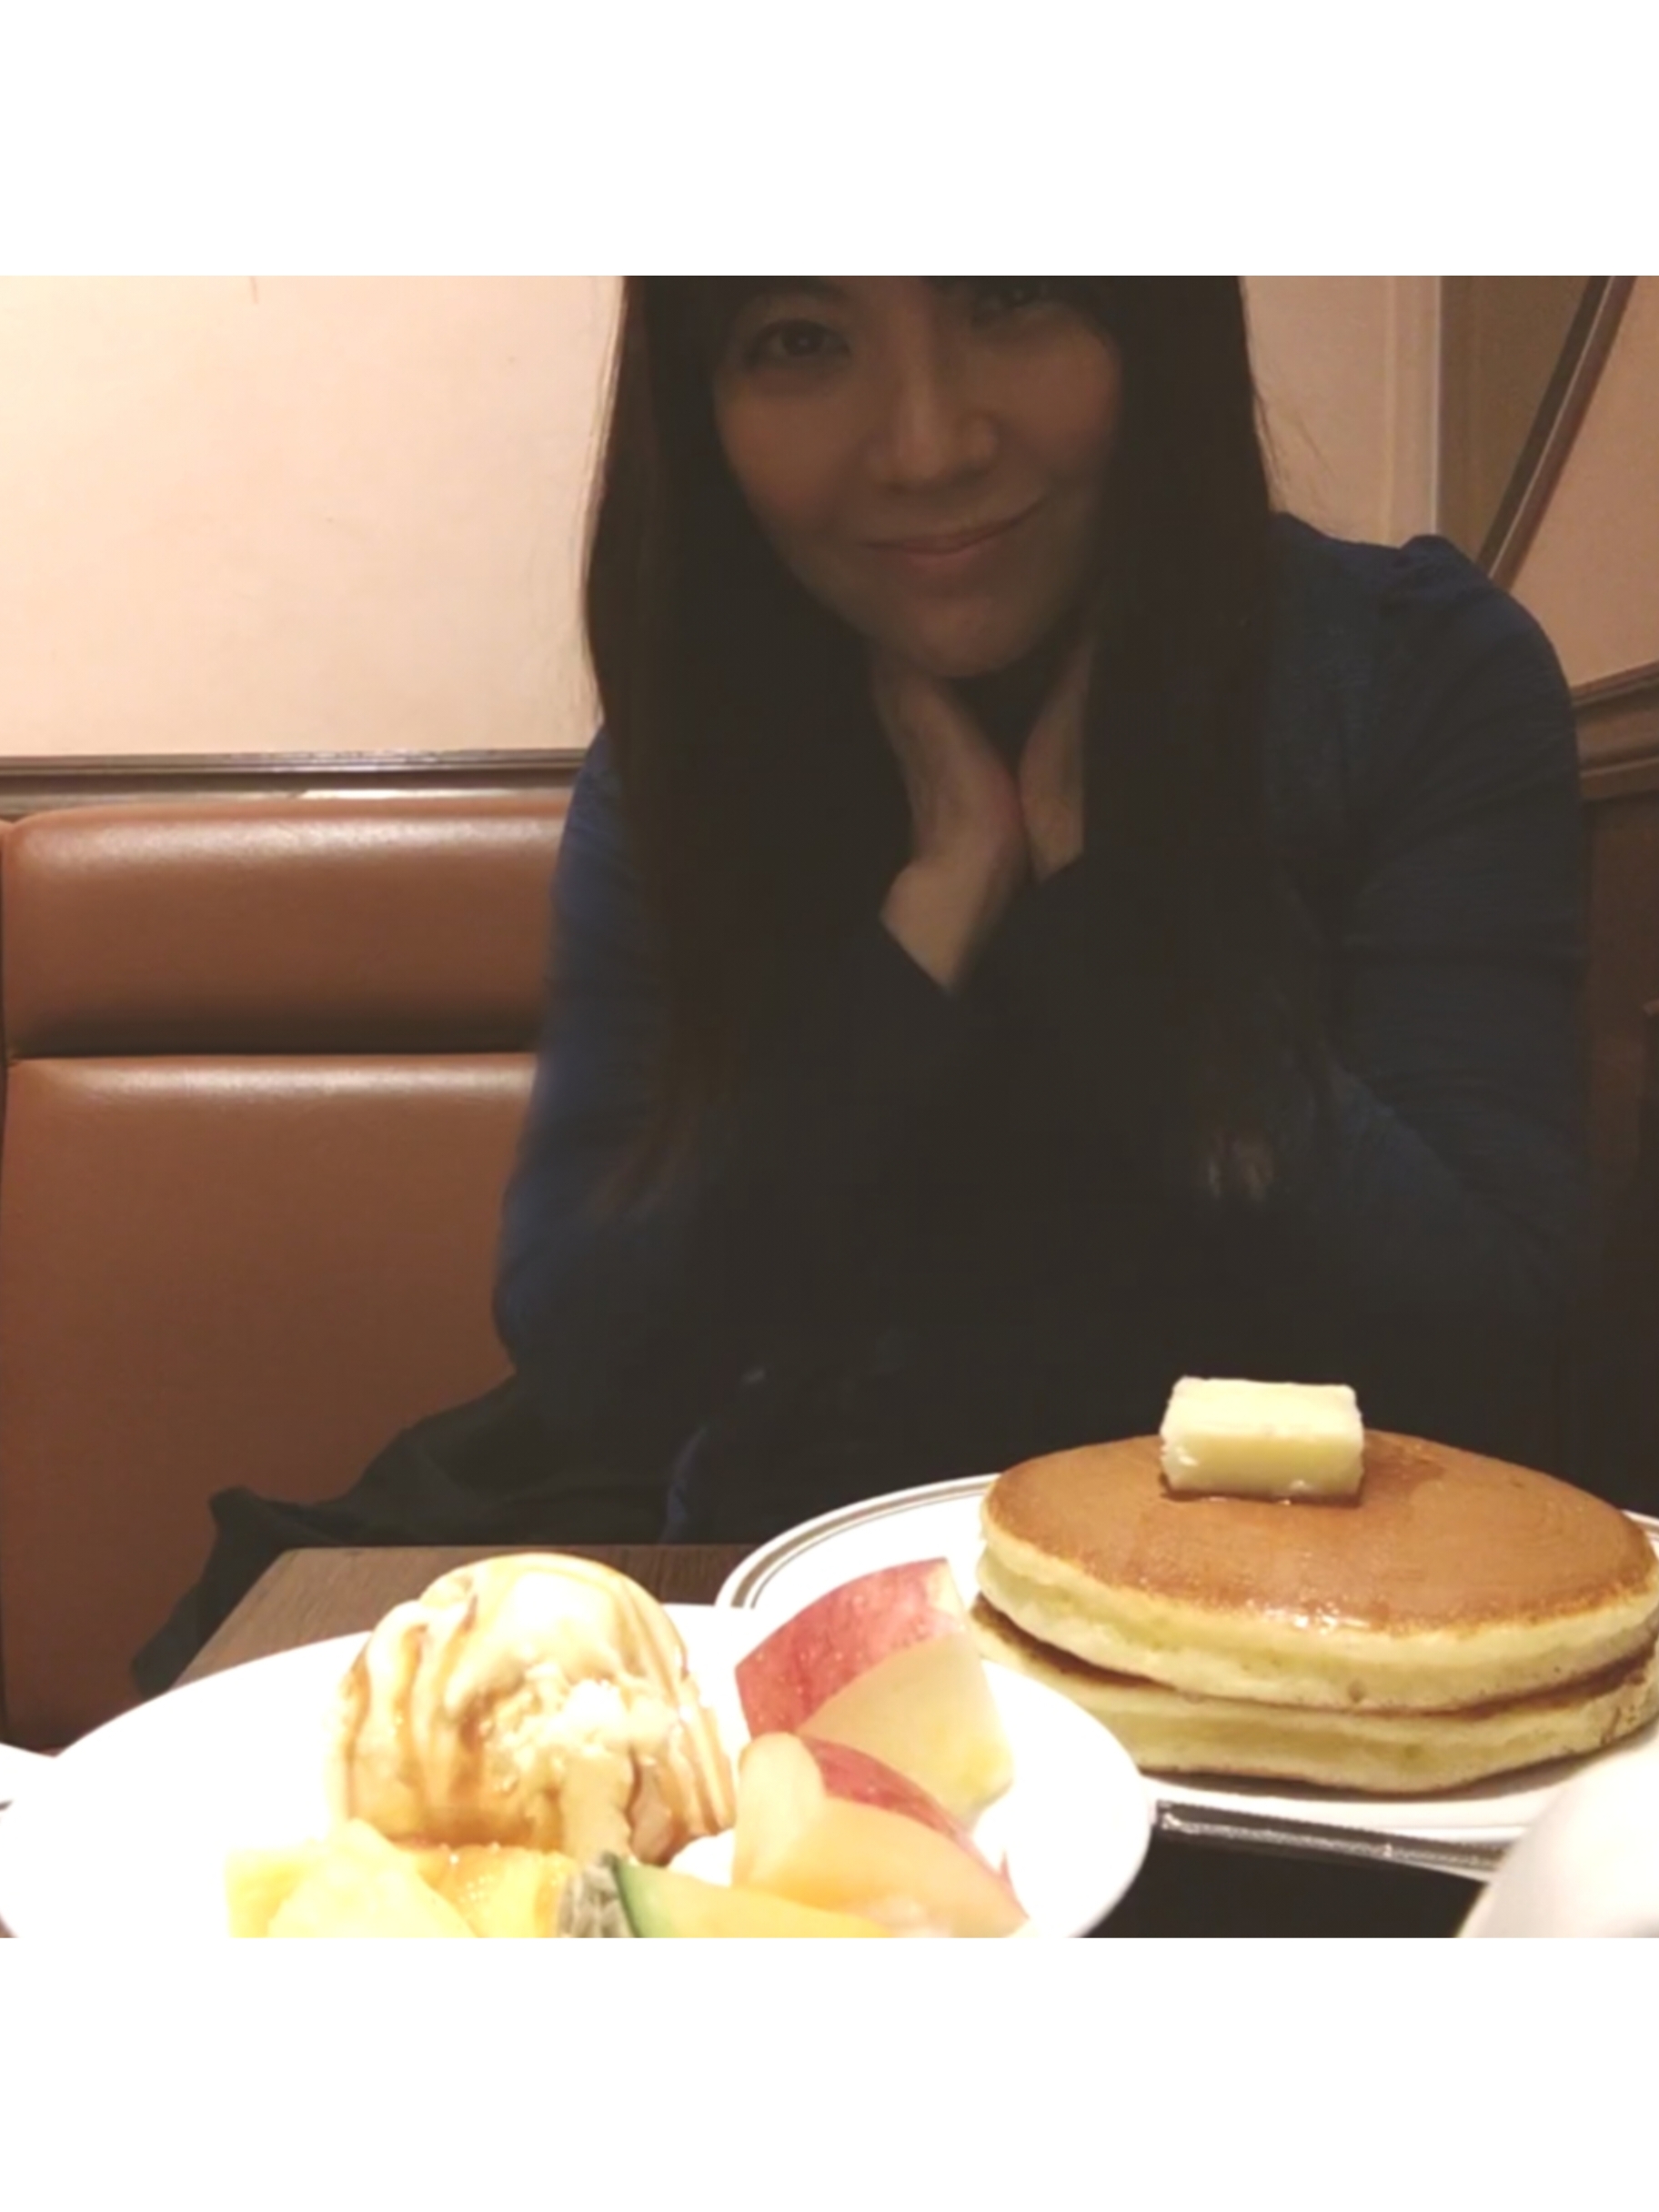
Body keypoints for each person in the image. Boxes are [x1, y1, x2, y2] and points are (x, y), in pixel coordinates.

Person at [493, 276, 1592, 1547]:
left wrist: (1108, 933)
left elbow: (1491, 1340)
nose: (928, 447)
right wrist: (931, 918)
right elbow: (592, 1365)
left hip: (1313, 1606)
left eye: (1010, 298)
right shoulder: (692, 749)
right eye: (800, 339)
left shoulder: (1412, 674)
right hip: (800, 1583)